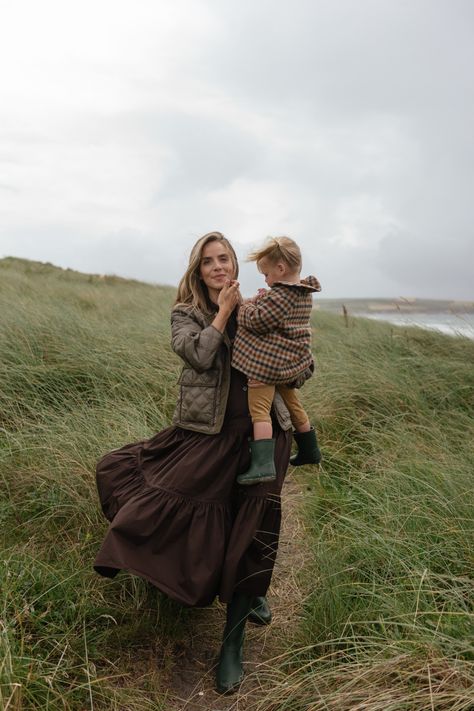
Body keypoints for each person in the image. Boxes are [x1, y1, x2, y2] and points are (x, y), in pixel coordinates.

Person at [93, 231, 292, 695]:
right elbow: (199, 355)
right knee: (166, 499)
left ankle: (232, 644)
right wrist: (224, 312)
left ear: (235, 264)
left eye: (225, 258)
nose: (220, 267)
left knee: (253, 533)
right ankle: (195, 586)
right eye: (209, 262)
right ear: (198, 270)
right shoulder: (186, 313)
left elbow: (301, 368)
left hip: (266, 436)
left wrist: (290, 346)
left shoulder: (262, 305)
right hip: (209, 436)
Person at [232, 237, 322, 486]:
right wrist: (264, 298)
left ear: (280, 269)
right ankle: (309, 450)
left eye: (266, 274)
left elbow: (259, 321)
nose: (265, 280)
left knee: (259, 412)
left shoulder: (281, 296)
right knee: (293, 403)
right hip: (289, 365)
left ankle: (262, 465)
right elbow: (280, 318)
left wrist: (243, 307)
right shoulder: (303, 292)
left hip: (267, 366)